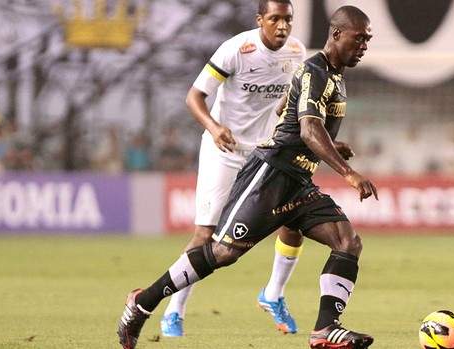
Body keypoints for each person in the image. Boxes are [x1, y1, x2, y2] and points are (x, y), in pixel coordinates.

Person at [117, 5, 377, 349]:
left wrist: (326, 142)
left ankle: (326, 328)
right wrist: (348, 173)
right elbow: (310, 128)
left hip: (299, 180)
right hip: (272, 174)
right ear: (337, 34)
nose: (364, 46)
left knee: (347, 242)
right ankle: (143, 303)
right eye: (359, 38)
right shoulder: (314, 71)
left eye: (367, 40)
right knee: (222, 252)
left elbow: (287, 108)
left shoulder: (330, 74)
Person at [159, 0, 307, 337]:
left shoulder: (297, 53)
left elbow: (288, 99)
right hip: (223, 150)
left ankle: (273, 295)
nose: (283, 26)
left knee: (294, 220)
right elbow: (194, 97)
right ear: (260, 20)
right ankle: (174, 310)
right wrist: (214, 127)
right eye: (275, 19)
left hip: (267, 155)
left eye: (288, 20)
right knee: (205, 235)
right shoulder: (236, 50)